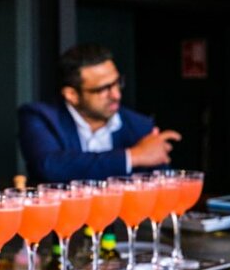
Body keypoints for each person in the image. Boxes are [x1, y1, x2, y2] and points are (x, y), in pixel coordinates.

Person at [18, 43, 181, 183]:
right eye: (104, 89)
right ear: (72, 95)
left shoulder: (140, 125)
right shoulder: (40, 117)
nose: (116, 95)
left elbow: (162, 186)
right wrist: (132, 156)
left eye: (117, 83)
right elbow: (50, 166)